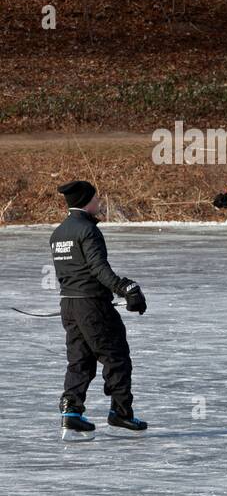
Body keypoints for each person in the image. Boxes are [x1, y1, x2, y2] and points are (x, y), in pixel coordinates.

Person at [48, 181, 148, 441]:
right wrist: (125, 288)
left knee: (79, 359)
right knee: (116, 357)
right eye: (95, 199)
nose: (98, 203)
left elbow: (69, 273)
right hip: (92, 305)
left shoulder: (59, 233)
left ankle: (71, 412)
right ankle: (121, 412)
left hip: (69, 304)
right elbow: (98, 268)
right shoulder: (87, 230)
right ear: (86, 201)